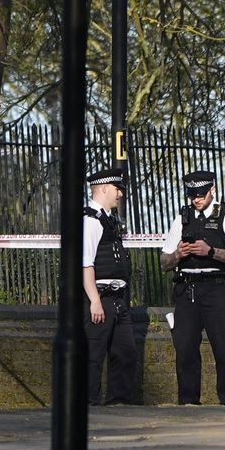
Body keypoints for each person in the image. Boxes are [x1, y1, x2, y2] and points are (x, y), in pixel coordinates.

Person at [160, 170, 225, 405]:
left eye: (201, 193)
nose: (196, 199)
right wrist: (178, 254)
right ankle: (188, 401)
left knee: (224, 347)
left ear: (212, 190)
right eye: (192, 194)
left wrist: (210, 252)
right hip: (187, 289)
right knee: (185, 348)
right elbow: (163, 262)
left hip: (218, 288)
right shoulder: (182, 219)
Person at [83, 167, 137, 406]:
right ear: (104, 188)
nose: (120, 194)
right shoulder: (91, 221)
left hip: (118, 299)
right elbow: (86, 264)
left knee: (125, 352)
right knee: (94, 354)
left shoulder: (109, 220)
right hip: (101, 297)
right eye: (118, 189)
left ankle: (119, 402)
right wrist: (94, 300)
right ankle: (90, 403)